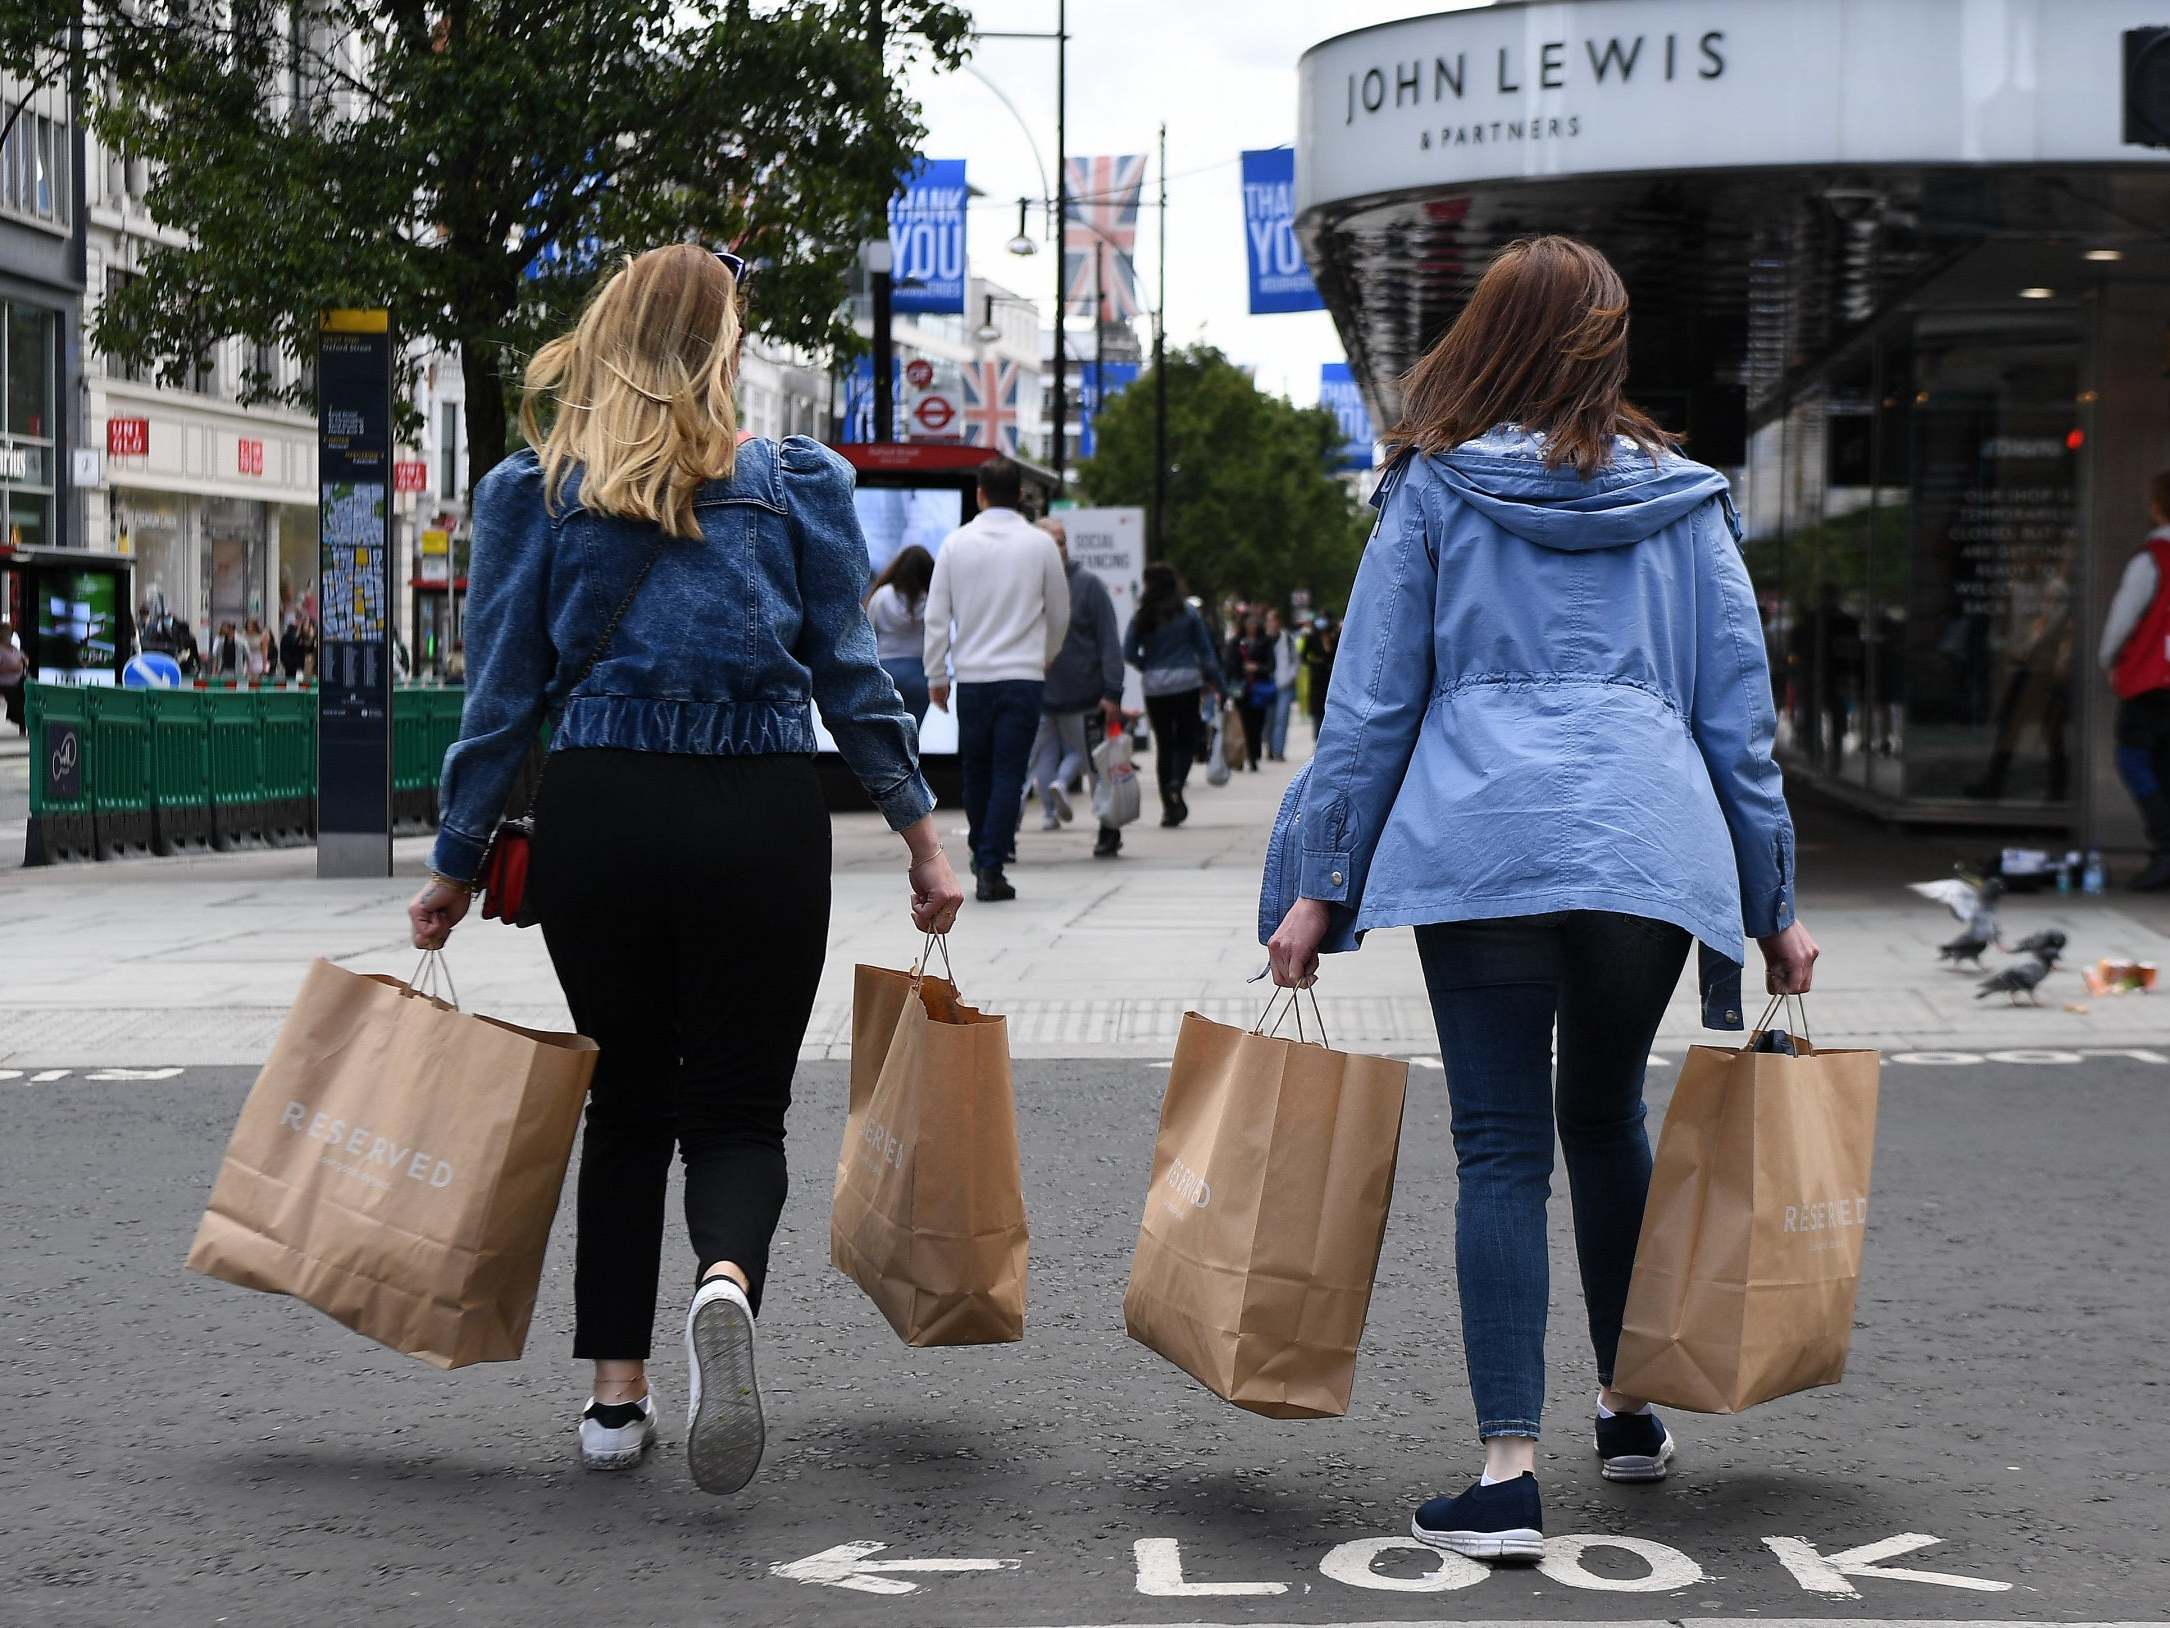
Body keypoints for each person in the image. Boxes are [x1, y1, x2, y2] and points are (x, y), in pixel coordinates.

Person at [1264, 235, 1818, 1562]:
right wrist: (1770, 900)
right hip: (1645, 842)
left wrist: (1312, 884)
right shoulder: (1686, 501)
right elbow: (1736, 720)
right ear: (1602, 348)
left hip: (1483, 842)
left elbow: (1372, 702)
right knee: (1607, 1112)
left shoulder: (1431, 487)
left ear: (1484, 339)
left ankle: (1504, 1474)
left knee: (1503, 1144)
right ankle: (1627, 1411)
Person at [405, 244, 963, 1496]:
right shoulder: (796, 483)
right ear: (720, 345)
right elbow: (848, 672)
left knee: (622, 1101)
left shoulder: (531, 490)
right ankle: (726, 1279)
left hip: (601, 814)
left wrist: (456, 858)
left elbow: (499, 699)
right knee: (736, 1109)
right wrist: (920, 834)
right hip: (760, 812)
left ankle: (614, 1396)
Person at [924, 457, 1069, 902]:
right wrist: (1045, 656)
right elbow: (1059, 611)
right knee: (1010, 771)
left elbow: (936, 615)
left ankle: (980, 849)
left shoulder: (956, 543)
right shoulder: (1040, 544)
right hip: (1023, 674)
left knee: (977, 770)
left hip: (973, 676)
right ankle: (991, 861)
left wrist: (936, 672)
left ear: (980, 493)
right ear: (1021, 495)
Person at [1028, 515, 1126, 858]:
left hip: (1084, 698)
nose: (1059, 548)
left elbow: (1109, 642)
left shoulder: (1089, 586)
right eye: (1052, 541)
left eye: (1062, 540)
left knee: (1099, 768)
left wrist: (1113, 691)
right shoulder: (1026, 586)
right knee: (1028, 766)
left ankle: (1109, 828)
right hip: (1037, 695)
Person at [2102, 470, 2170, 890]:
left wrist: (2109, 660)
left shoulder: (2153, 559)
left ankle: (2166, 848)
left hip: (2153, 679)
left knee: (2135, 759)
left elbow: (2123, 619)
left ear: (2157, 505)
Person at [1125, 562, 1224, 827]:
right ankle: (1177, 783)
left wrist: (1147, 666)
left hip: (1156, 685)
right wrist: (1219, 684)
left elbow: (1128, 651)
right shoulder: (1188, 613)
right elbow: (1205, 653)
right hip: (1185, 682)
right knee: (1187, 738)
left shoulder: (1143, 616)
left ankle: (1169, 806)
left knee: (1164, 743)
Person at [865, 544, 935, 728]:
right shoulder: (932, 599)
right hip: (919, 674)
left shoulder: (882, 595)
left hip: (886, 671)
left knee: (885, 734)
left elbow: (868, 634)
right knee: (912, 734)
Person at [1228, 610, 1275, 772]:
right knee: (1242, 724)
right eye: (1249, 623)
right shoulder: (1235, 642)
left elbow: (1270, 665)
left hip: (1259, 689)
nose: (1252, 627)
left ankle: (1254, 755)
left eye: (1254, 623)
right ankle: (1242, 755)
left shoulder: (1265, 642)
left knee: (1257, 724)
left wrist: (1257, 668)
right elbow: (1230, 665)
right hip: (1241, 689)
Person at [1265, 608, 1299, 762]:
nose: (1272, 624)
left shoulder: (1288, 640)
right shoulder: (1263, 640)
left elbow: (1295, 661)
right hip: (1267, 685)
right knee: (1269, 719)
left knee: (1282, 718)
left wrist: (1291, 676)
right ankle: (1270, 748)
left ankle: (1278, 750)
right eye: (1269, 620)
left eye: (1274, 620)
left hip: (1284, 684)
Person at [1300, 613, 1337, 737]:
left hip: (1330, 678)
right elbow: (1304, 657)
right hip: (1317, 678)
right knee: (1317, 710)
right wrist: (1315, 662)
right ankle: (1317, 737)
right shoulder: (1311, 637)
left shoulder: (1334, 638)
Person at [0, 620, 26, 734]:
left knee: (26, 697)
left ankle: (23, 724)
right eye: (7, 633)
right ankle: (22, 722)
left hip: (19, 680)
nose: (9, 635)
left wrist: (24, 662)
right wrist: (13, 668)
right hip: (7, 682)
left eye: (10, 633)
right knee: (17, 701)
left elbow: (24, 657)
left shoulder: (14, 648)